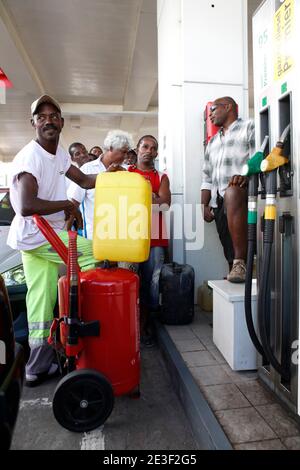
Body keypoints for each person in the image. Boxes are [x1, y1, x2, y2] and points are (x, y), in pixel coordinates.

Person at [7, 95, 101, 386]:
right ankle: (90, 332)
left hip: (32, 238)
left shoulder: (58, 153)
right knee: (98, 253)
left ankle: (37, 367)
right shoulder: (30, 157)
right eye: (41, 116)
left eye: (54, 115)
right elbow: (25, 205)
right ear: (33, 123)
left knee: (40, 300)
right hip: (37, 234)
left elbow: (84, 181)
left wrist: (115, 177)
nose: (48, 120)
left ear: (61, 122)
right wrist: (68, 206)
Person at [201, 97, 255, 283]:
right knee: (227, 242)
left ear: (228, 107)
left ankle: (241, 265)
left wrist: (246, 176)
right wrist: (204, 204)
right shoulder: (213, 142)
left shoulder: (249, 127)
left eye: (214, 110)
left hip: (242, 194)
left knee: (232, 191)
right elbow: (206, 177)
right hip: (219, 200)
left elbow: (259, 157)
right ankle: (234, 271)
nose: (211, 115)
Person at [128, 135, 171, 347]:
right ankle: (130, 327)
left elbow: (164, 205)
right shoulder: (126, 173)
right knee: (130, 283)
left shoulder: (162, 176)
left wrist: (139, 199)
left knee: (151, 284)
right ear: (137, 148)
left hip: (156, 238)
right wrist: (152, 197)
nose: (148, 150)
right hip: (128, 238)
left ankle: (145, 325)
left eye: (153, 148)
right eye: (145, 146)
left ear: (156, 153)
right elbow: (122, 202)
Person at [67, 130, 133, 239]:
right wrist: (66, 233)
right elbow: (73, 203)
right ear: (111, 148)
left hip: (121, 237)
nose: (126, 156)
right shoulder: (87, 170)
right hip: (94, 237)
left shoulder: (126, 171)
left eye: (127, 152)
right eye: (123, 152)